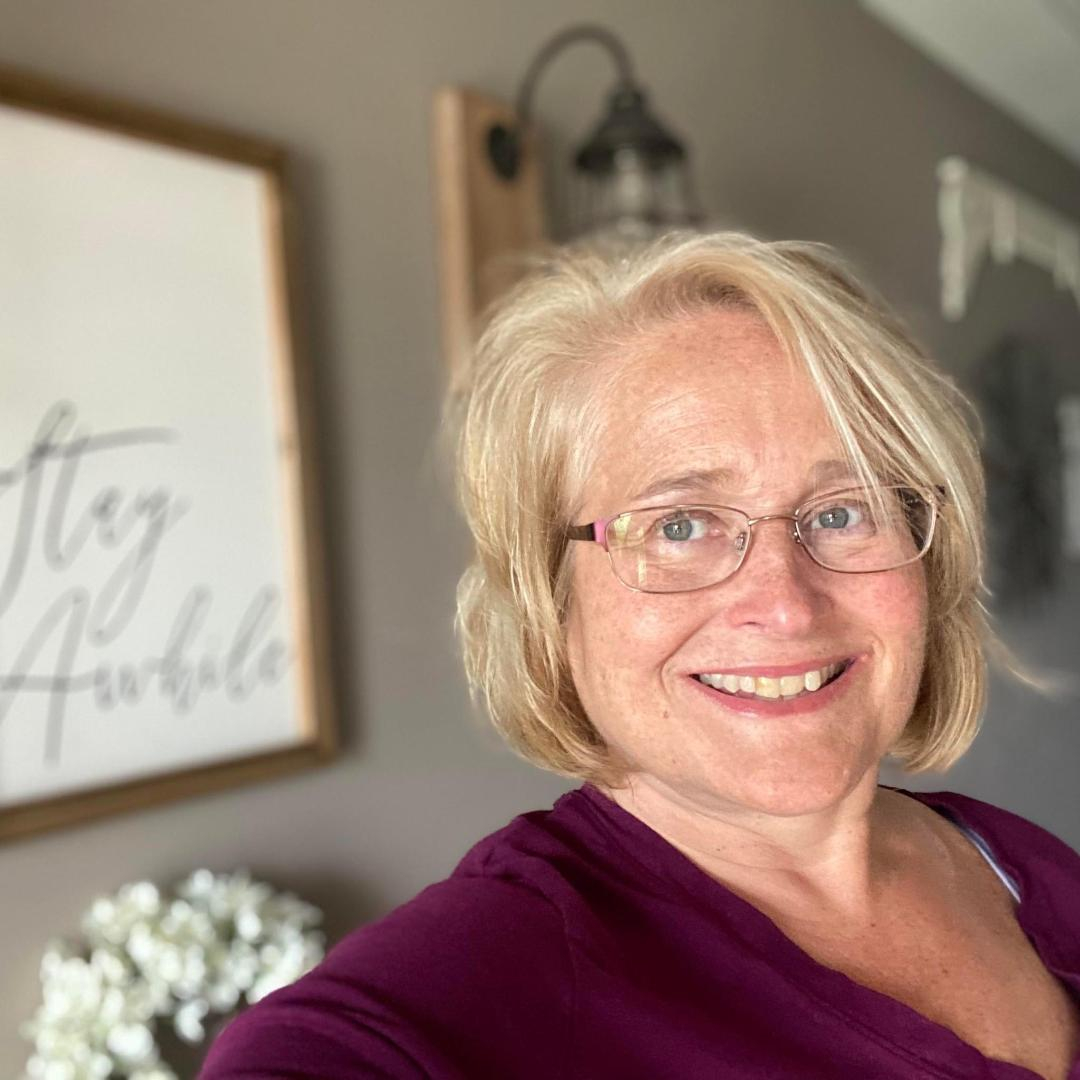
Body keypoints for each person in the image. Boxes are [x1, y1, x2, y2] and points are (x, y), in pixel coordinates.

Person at [201, 233, 1080, 1079]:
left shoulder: (1016, 861)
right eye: (680, 525)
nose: (785, 602)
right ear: (552, 599)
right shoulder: (447, 1005)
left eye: (845, 512)